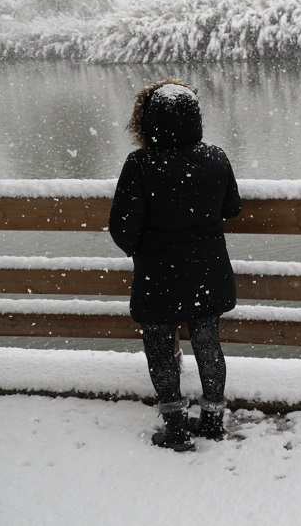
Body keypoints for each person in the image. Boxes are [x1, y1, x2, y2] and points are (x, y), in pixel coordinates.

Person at [109, 79, 242, 452]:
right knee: (208, 344)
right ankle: (213, 421)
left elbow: (122, 229)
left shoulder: (140, 164)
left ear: (147, 123)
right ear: (195, 118)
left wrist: (146, 248)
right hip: (208, 270)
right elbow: (232, 208)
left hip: (158, 273)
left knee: (158, 344)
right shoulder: (216, 157)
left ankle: (177, 427)